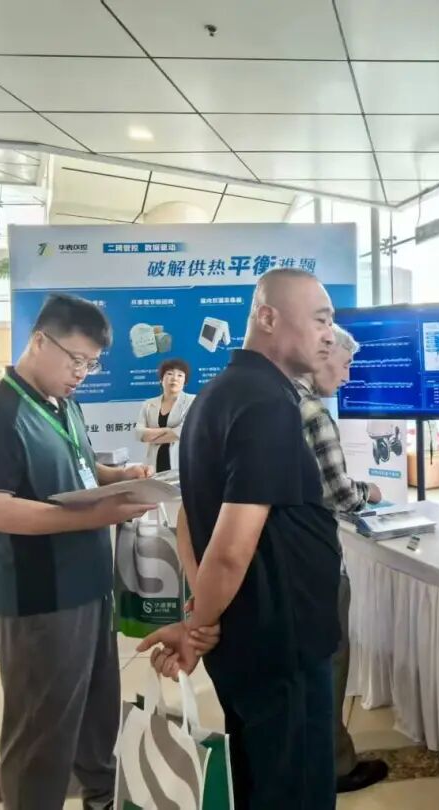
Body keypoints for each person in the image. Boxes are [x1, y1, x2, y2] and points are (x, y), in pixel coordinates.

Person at [140, 268, 342, 809]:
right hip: (281, 646)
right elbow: (230, 549)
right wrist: (196, 625)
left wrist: (202, 614)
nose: (329, 334)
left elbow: (188, 518)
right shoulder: (266, 404)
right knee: (293, 791)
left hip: (244, 638)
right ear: (268, 317)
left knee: (256, 782)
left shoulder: (214, 396)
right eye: (320, 319)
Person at [0, 294, 160, 810]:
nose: (81, 374)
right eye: (76, 360)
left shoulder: (64, 405)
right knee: (41, 734)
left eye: (91, 364)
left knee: (96, 712)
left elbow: (81, 468)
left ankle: (101, 796)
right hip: (37, 602)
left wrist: (121, 477)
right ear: (39, 340)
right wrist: (99, 515)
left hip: (88, 587)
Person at [292, 324, 387, 794]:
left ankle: (307, 760)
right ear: (323, 353)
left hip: (286, 564)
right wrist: (370, 491)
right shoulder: (313, 412)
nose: (348, 376)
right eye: (346, 365)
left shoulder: (274, 402)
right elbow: (341, 495)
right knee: (329, 663)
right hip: (317, 561)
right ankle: (334, 766)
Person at [135, 357, 194, 473]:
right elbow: (139, 433)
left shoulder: (192, 401)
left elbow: (183, 432)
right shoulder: (148, 404)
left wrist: (151, 437)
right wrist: (167, 430)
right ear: (161, 379)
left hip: (181, 463)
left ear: (185, 381)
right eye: (170, 374)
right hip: (153, 463)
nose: (174, 378)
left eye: (180, 375)